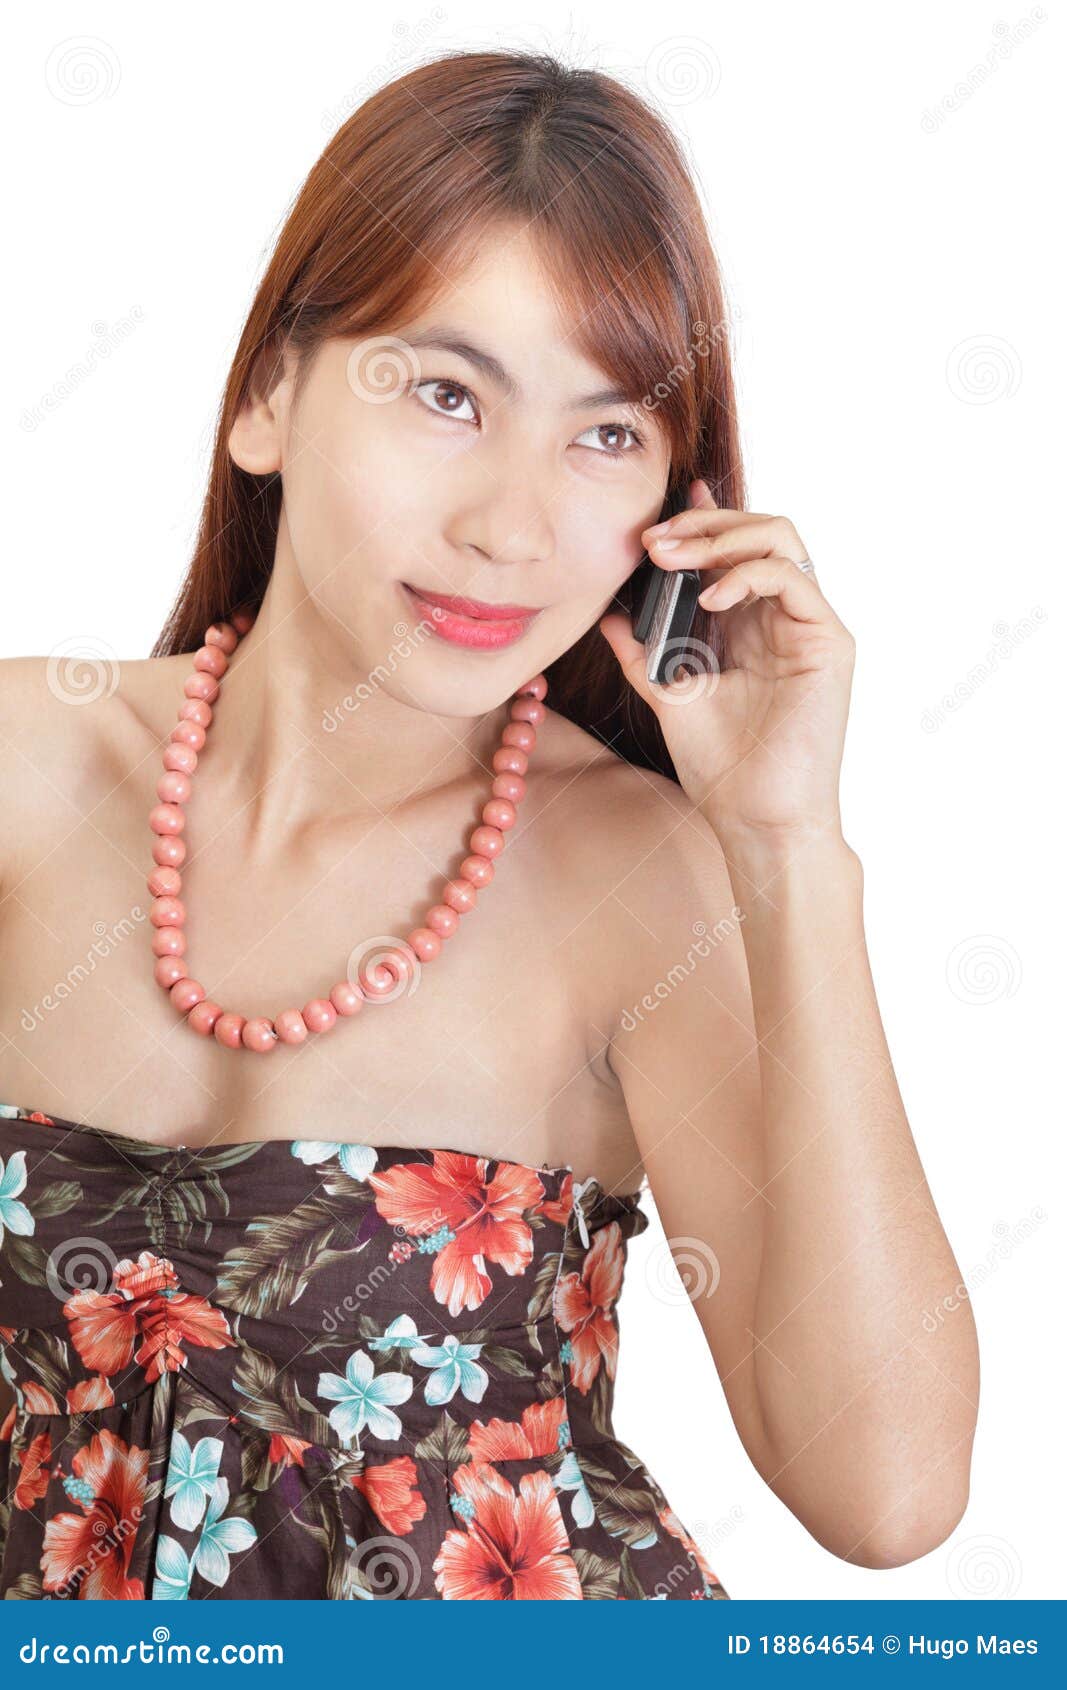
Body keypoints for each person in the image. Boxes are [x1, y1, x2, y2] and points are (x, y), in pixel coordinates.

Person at [0, 49, 978, 1601]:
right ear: (268, 396)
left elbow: (891, 1494)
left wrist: (792, 849)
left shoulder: (643, 877)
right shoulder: (25, 769)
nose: (512, 524)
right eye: (446, 396)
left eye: (604, 435)